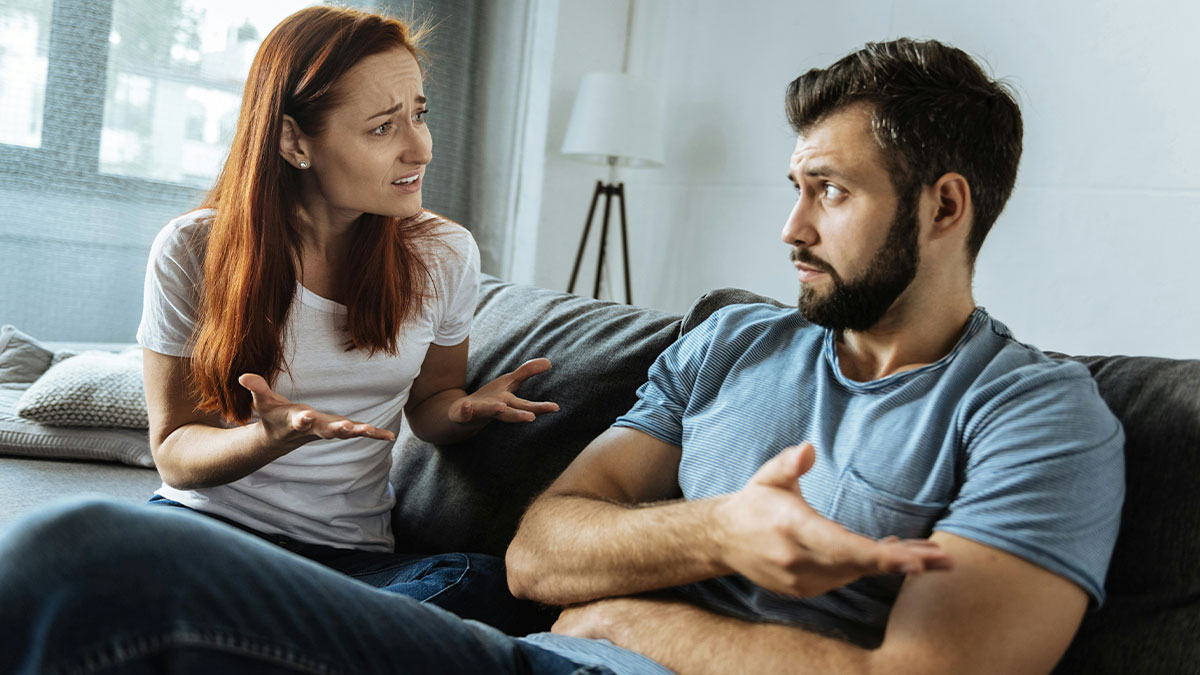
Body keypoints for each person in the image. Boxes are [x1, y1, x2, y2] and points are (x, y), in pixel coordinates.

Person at [0, 38, 1124, 675]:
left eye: (827, 194)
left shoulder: (1037, 415)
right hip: (541, 652)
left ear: (943, 206)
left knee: (78, 557)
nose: (789, 232)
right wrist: (720, 533)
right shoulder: (736, 341)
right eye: (793, 191)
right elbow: (541, 558)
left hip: (577, 662)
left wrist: (632, 614)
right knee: (84, 567)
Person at [137, 5, 556, 631]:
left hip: (348, 561)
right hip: (207, 532)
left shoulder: (443, 253)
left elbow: (431, 403)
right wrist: (269, 437)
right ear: (293, 141)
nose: (421, 147)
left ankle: (260, 635)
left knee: (484, 584)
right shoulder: (194, 248)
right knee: (88, 552)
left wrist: (464, 411)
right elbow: (174, 451)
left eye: (419, 113)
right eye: (383, 128)